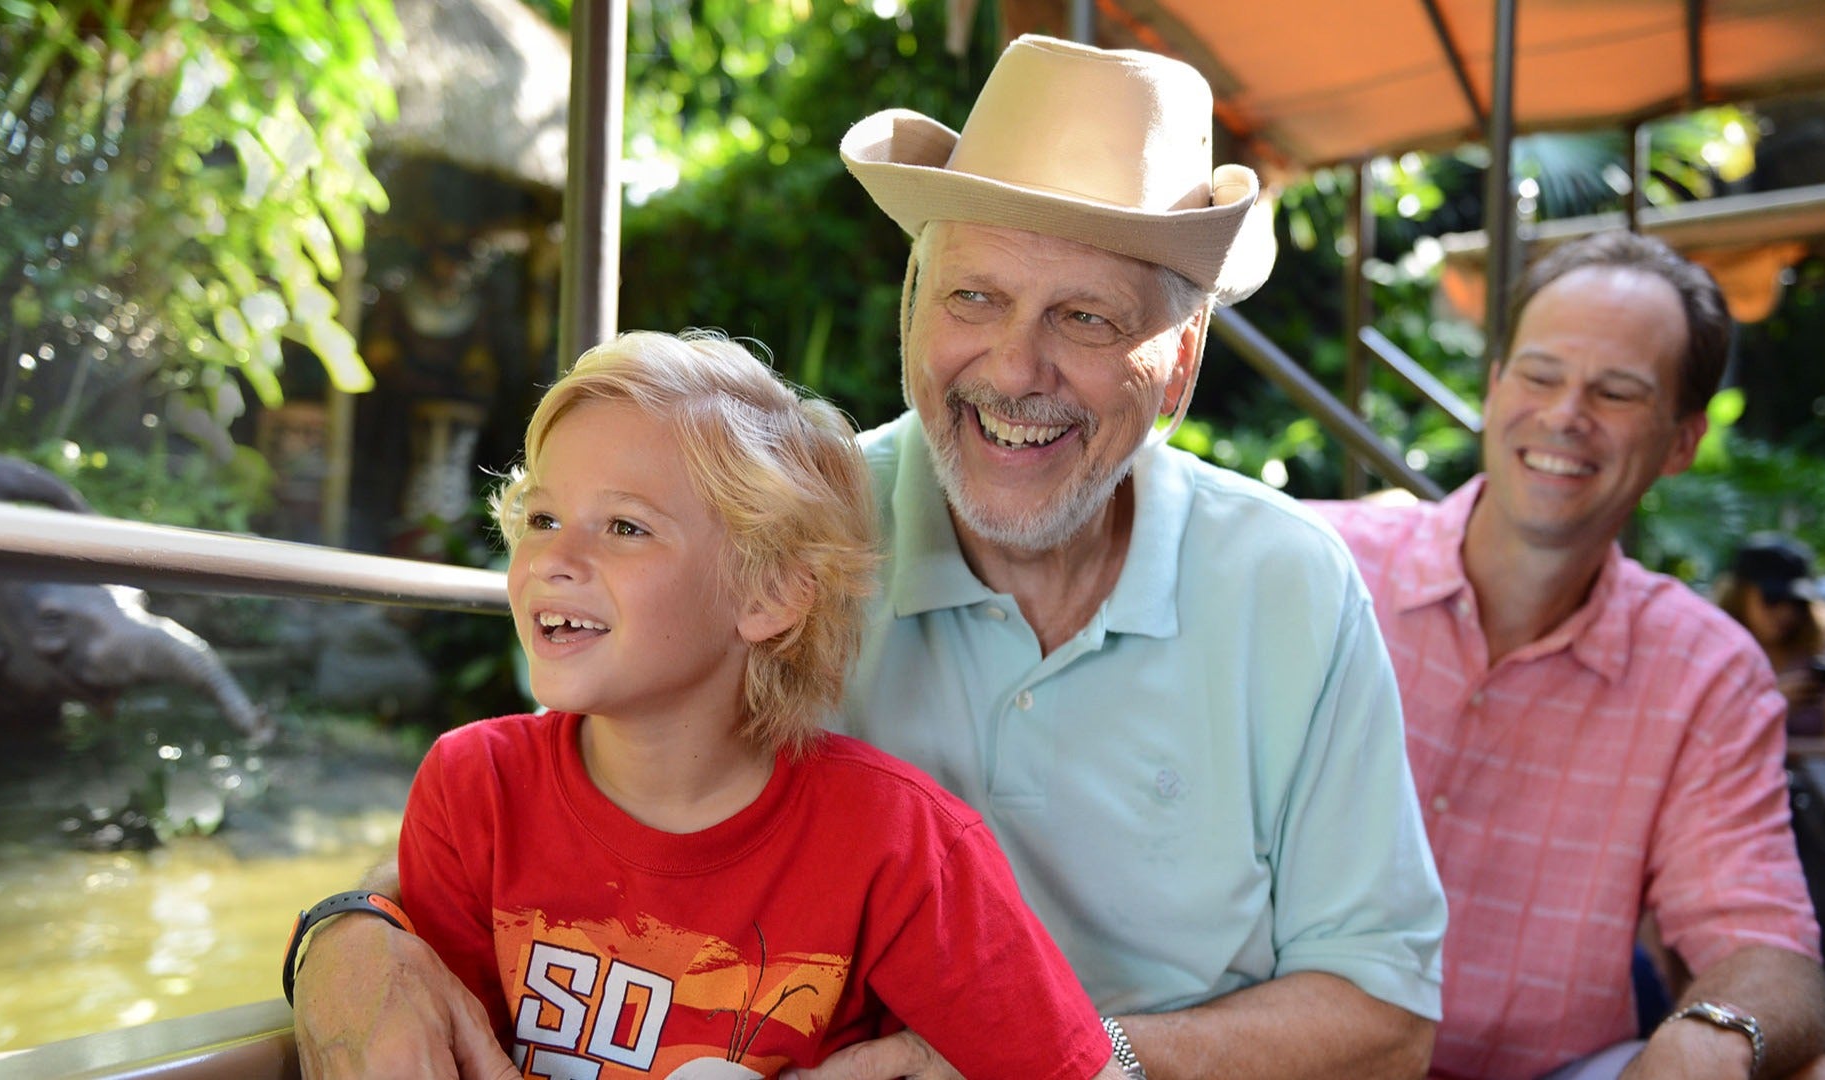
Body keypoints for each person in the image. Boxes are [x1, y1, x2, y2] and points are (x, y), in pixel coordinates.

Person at [290, 35, 1448, 1080]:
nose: (1015, 368)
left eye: (1086, 318)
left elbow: (1387, 1019)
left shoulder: (1289, 584)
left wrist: (1051, 1064)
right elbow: (557, 828)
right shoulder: (769, 533)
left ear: (1181, 360)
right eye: (974, 297)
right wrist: (340, 936)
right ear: (910, 309)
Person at [339, 330, 1126, 1078]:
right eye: (542, 518)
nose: (554, 559)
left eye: (624, 526)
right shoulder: (473, 787)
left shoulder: (902, 845)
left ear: (772, 593)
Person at [1311, 232, 1825, 1080]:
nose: (1566, 413)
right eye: (1539, 375)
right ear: (1495, 389)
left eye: (1616, 391)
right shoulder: (1316, 563)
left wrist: (1708, 1039)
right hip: (1278, 1050)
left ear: (1681, 443)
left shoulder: (1706, 667)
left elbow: (1763, 942)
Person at [1715, 533, 1825, 746]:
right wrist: (1768, 706)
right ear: (1741, 594)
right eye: (1773, 599)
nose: (1785, 612)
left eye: (1796, 602)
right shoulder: (1714, 650)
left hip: (1811, 776)